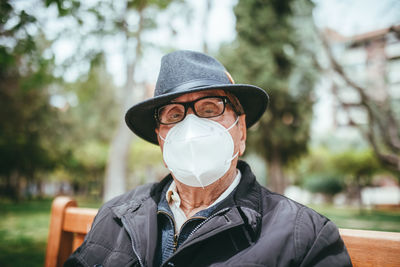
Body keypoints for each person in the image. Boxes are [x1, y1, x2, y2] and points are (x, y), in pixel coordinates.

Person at [65, 50, 352, 267]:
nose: (190, 128)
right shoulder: (116, 215)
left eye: (210, 108)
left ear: (240, 132)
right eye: (174, 114)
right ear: (161, 140)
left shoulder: (305, 237)